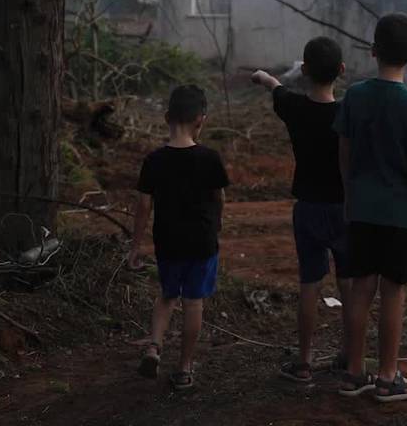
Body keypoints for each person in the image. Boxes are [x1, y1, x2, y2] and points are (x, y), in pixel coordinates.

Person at [333, 13, 407, 402]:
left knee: (361, 288)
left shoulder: (355, 97)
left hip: (360, 210)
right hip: (398, 215)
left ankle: (354, 372)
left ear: (373, 50)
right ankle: (388, 375)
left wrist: (349, 193)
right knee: (393, 292)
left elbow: (343, 152)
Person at [250, 36, 354, 383]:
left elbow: (275, 87)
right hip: (344, 208)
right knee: (349, 284)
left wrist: (264, 77)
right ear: (341, 70)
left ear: (304, 70)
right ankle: (350, 356)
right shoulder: (346, 114)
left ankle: (305, 362)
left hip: (308, 208)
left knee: (310, 284)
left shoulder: (294, 108)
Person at [130, 84, 230, 391]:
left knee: (166, 295)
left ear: (166, 118)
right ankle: (185, 368)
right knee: (193, 302)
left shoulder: (154, 160)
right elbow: (220, 198)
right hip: (201, 242)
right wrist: (217, 224)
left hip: (168, 241)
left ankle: (153, 347)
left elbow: (144, 205)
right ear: (201, 119)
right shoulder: (210, 158)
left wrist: (136, 245)